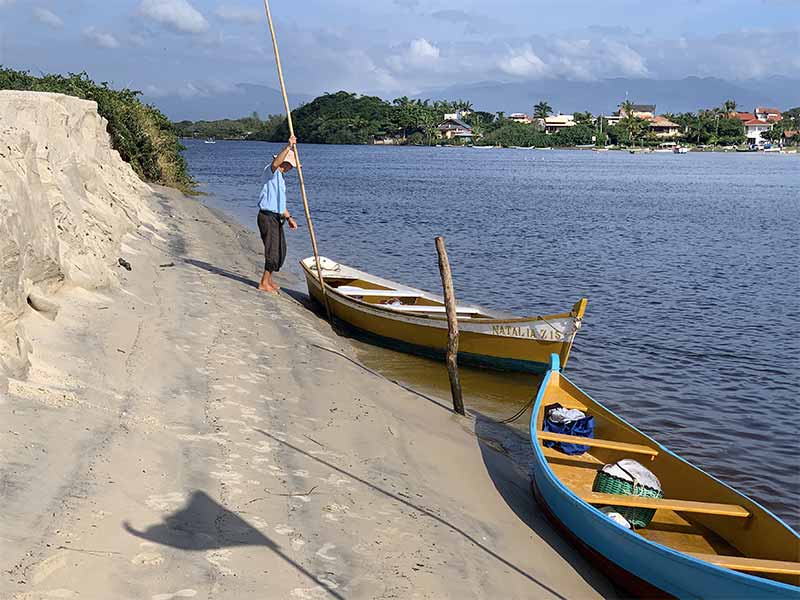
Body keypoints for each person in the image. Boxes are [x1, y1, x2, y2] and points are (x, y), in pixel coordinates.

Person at [257, 136, 299, 292]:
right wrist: (289, 146)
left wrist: (289, 218)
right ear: (286, 163)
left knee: (281, 250)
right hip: (267, 217)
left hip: (276, 217)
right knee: (272, 251)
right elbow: (276, 163)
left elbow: (280, 203)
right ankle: (263, 283)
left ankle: (269, 280)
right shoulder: (271, 171)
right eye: (290, 165)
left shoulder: (280, 179)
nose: (291, 169)